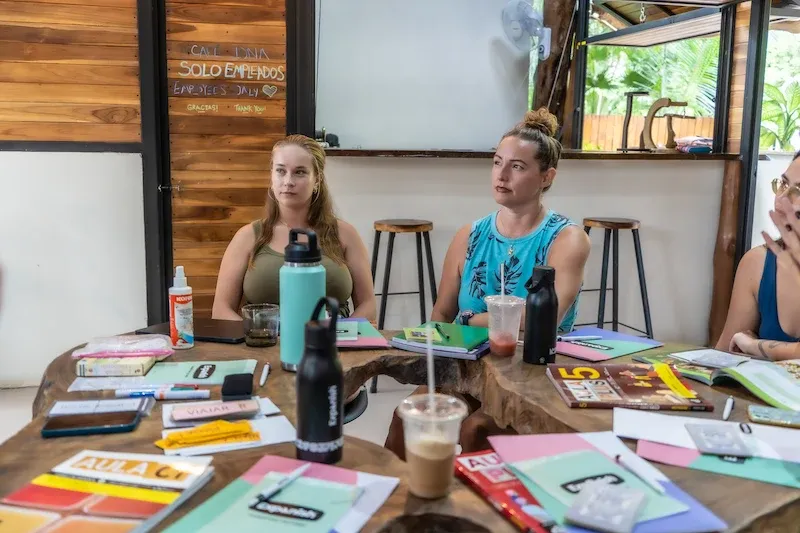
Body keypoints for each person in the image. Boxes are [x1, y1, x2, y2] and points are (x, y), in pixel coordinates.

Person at [384, 108, 591, 459]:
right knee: (409, 417)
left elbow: (540, 320)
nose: (502, 174)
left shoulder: (567, 239)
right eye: (497, 162)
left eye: (518, 166)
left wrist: (469, 319)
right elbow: (441, 315)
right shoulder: (470, 235)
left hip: (533, 377)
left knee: (477, 430)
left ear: (546, 176)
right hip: (466, 370)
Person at [212, 134, 377, 322]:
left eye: (300, 172)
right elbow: (221, 310)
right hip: (262, 344)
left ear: (317, 180)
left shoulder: (345, 234)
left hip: (333, 345)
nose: (288, 181)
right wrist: (258, 336)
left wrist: (339, 336)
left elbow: (368, 305)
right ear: (271, 176)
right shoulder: (247, 237)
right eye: (281, 171)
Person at [716, 150, 800, 361]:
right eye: (783, 184)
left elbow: (744, 342)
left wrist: (755, 345)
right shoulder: (758, 264)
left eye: (798, 191)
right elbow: (723, 357)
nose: (781, 198)